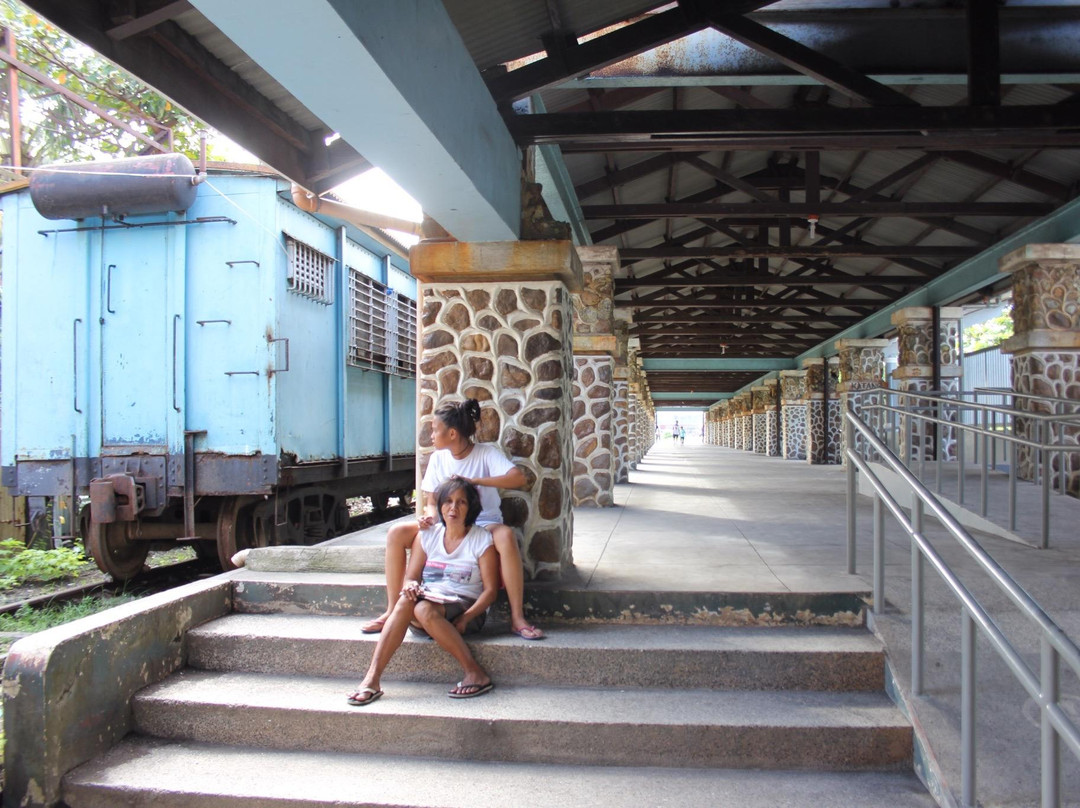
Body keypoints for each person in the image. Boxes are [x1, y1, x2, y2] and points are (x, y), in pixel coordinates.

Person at [361, 398, 544, 640]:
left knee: (506, 535)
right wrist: (429, 517)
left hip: (483, 521)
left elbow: (518, 478)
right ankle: (392, 610)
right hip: (446, 524)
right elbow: (430, 500)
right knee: (396, 533)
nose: (431, 435)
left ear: (453, 433)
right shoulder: (438, 458)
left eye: (435, 429)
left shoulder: (485, 454)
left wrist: (476, 482)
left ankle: (517, 617)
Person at [347, 478, 498, 705]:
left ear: (471, 507)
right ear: (440, 506)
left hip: (465, 610)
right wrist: (410, 585)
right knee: (408, 600)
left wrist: (467, 617)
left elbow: (490, 591)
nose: (453, 508)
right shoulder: (428, 534)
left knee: (423, 608)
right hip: (428, 605)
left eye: (461, 502)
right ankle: (372, 678)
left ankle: (475, 672)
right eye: (447, 501)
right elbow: (411, 576)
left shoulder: (481, 539)